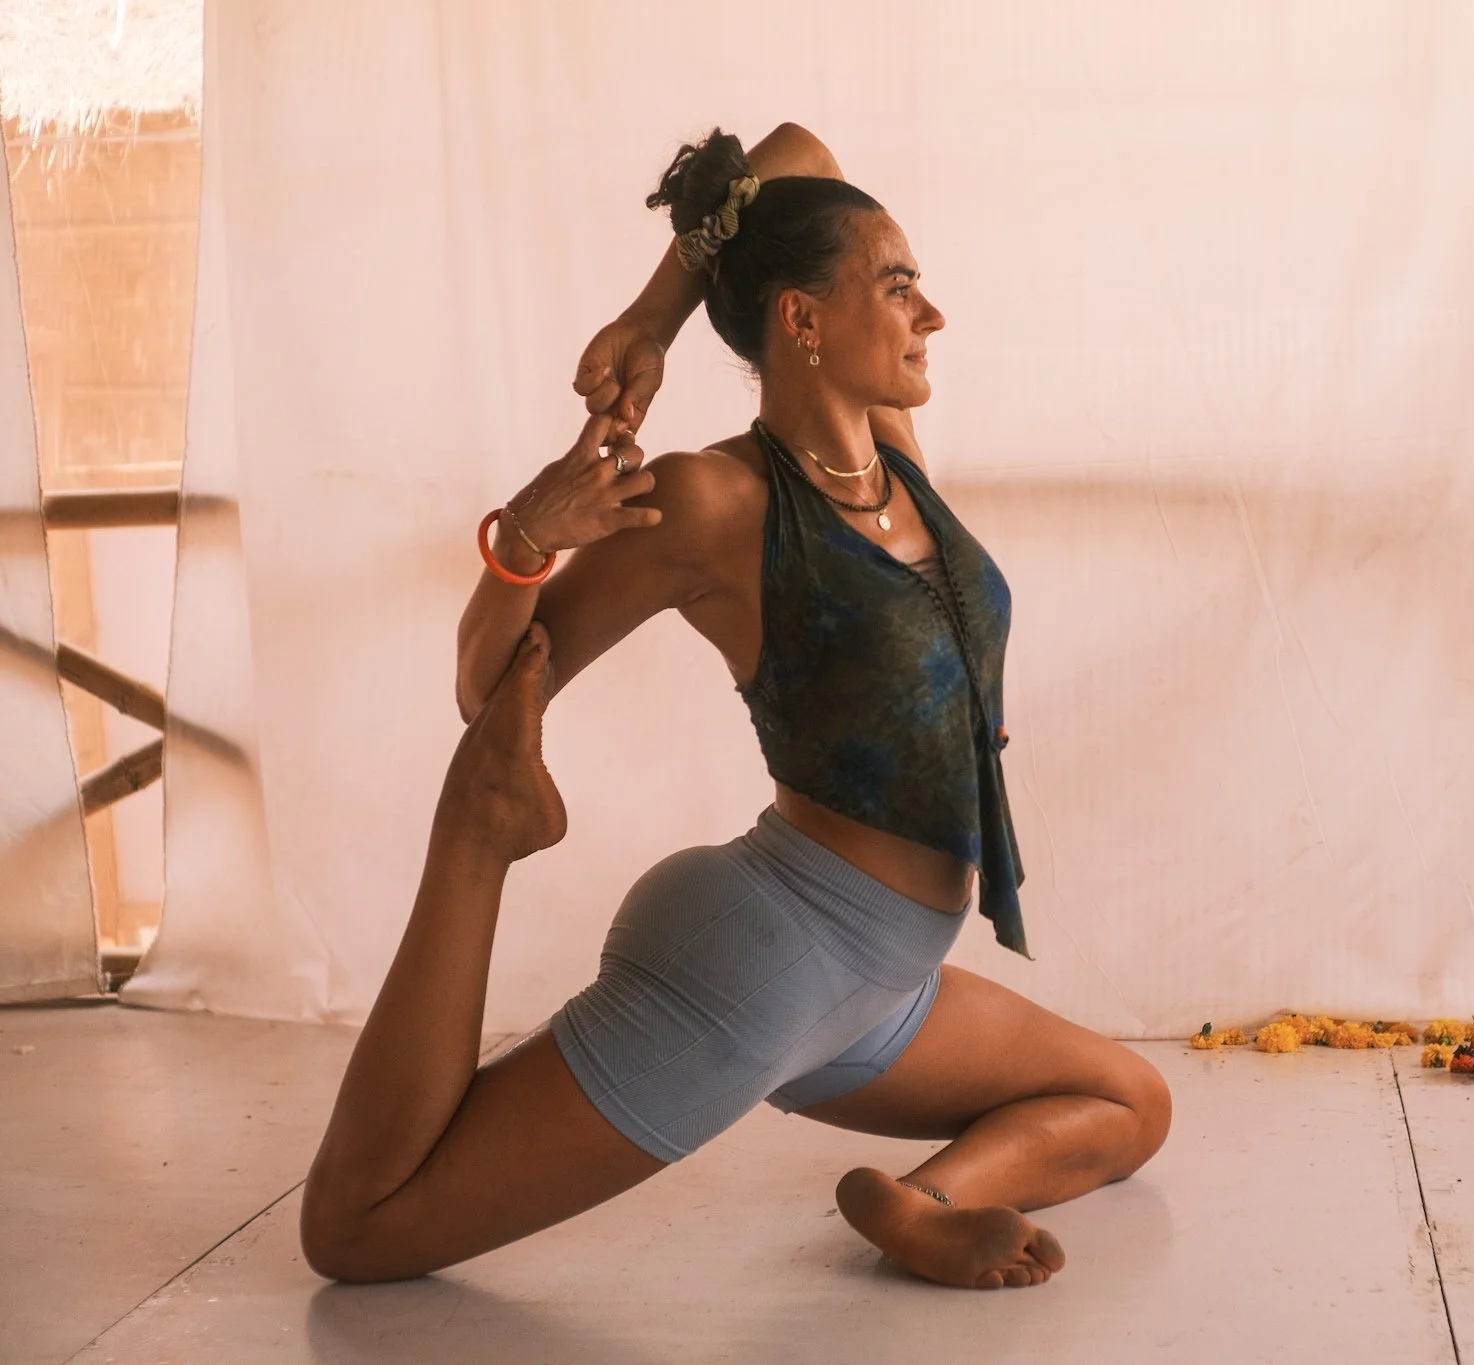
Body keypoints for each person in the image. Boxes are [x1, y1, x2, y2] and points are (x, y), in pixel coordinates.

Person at [300, 124, 1171, 1291]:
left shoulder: (890, 463)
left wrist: (651, 320)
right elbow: (487, 686)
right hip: (765, 965)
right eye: (897, 287)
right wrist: (523, 547)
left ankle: (923, 1204)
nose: (930, 315)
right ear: (801, 319)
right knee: (360, 1232)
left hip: (878, 988)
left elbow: (792, 152)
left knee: (1131, 1104)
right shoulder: (714, 501)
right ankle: (476, 845)